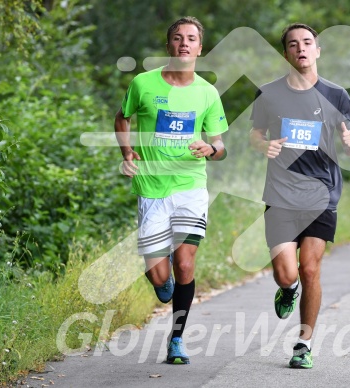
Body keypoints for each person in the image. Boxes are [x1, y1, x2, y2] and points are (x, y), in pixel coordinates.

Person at [114, 16, 228, 365]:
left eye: (191, 39)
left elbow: (220, 146)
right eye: (177, 38)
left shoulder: (207, 93)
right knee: (159, 275)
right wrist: (127, 150)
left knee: (184, 262)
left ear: (200, 48)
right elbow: (122, 118)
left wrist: (211, 150)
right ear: (168, 46)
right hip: (151, 187)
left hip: (190, 186)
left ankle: (177, 339)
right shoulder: (143, 84)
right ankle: (164, 288)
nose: (184, 44)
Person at [249, 23, 350, 369]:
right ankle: (287, 290)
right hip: (281, 195)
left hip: (322, 195)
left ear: (317, 50)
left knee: (310, 268)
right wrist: (263, 144)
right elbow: (254, 134)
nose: (301, 48)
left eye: (307, 43)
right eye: (293, 44)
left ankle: (304, 343)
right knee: (287, 274)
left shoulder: (337, 94)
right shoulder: (268, 94)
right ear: (285, 53)